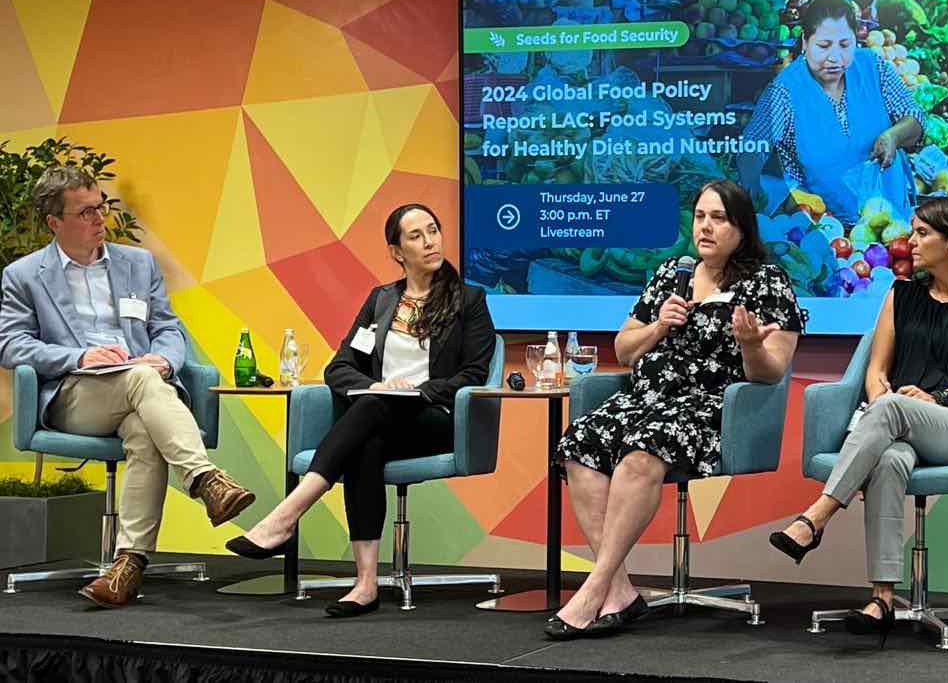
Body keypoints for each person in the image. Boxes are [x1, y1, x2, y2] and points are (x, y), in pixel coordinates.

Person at [546, 179, 805, 639]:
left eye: (718, 218)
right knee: (578, 445)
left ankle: (593, 588)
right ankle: (620, 590)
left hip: (710, 408)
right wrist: (658, 327)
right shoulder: (672, 273)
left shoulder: (768, 282)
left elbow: (771, 371)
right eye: (700, 216)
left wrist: (749, 346)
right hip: (646, 398)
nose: (705, 227)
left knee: (642, 450)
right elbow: (625, 350)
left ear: (742, 227)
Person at [0, 166, 256, 609]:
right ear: (54, 223)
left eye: (100, 206)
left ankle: (127, 566)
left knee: (142, 427)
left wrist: (166, 358)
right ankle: (204, 478)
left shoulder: (137, 264)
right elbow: (10, 343)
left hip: (140, 388)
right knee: (141, 382)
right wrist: (78, 357)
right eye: (85, 212)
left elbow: (167, 327)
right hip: (74, 393)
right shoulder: (24, 275)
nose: (100, 218)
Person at [225, 203, 495, 618]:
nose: (430, 242)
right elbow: (340, 367)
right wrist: (378, 386)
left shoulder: (469, 300)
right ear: (396, 251)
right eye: (416, 236)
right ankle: (365, 583)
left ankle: (286, 516)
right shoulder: (382, 300)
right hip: (381, 416)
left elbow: (474, 373)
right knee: (366, 440)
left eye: (434, 231)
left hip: (437, 419)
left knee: (371, 412)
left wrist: (418, 390)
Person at [769, 196, 948, 647]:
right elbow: (876, 369)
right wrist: (880, 394)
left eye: (923, 234)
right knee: (888, 460)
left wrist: (937, 397)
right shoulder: (900, 294)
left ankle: (817, 516)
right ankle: (882, 598)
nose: (911, 242)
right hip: (898, 418)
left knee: (891, 411)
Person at [740, 0, 924, 221]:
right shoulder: (784, 92)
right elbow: (751, 150)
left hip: (892, 222)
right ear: (806, 42)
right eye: (824, 46)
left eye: (845, 45)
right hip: (827, 229)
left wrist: (893, 136)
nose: (835, 57)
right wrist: (774, 202)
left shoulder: (874, 67)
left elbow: (914, 117)